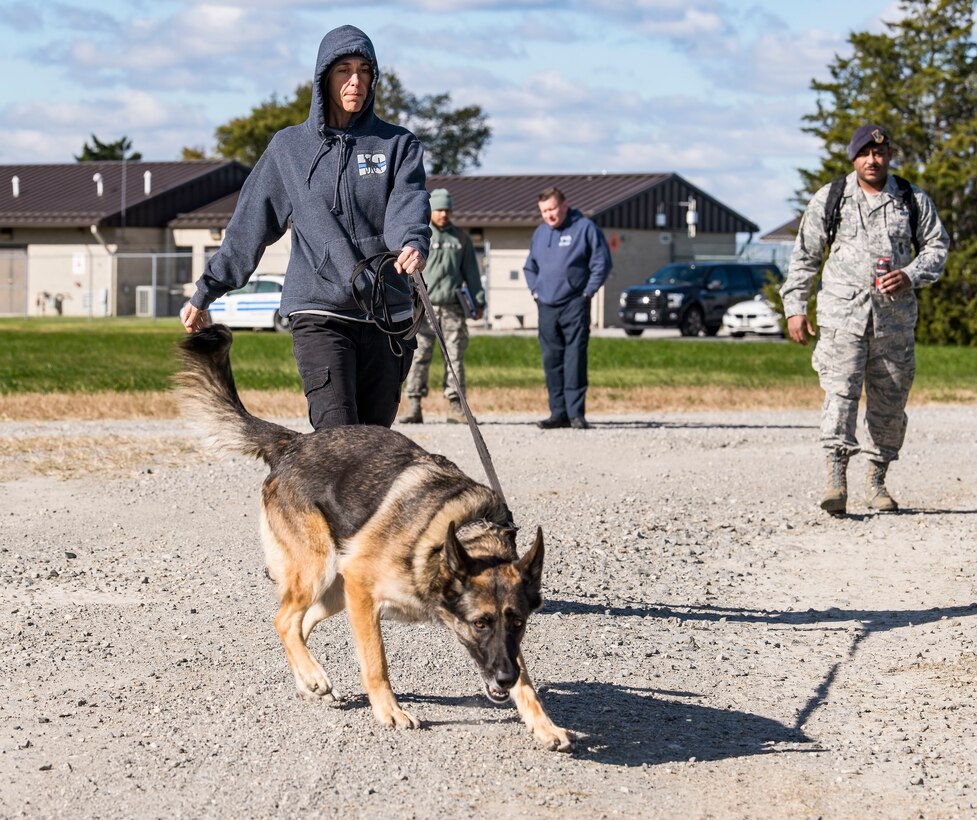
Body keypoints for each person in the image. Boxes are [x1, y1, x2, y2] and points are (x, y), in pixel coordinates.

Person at [182, 25, 430, 430]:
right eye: (344, 70)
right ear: (323, 78)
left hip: (388, 313)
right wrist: (206, 291)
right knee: (336, 437)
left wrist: (412, 241)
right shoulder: (289, 149)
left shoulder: (397, 144)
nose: (356, 81)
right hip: (320, 309)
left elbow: (408, 204)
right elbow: (249, 226)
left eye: (365, 70)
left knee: (374, 443)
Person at [781, 123, 948, 515]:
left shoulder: (910, 198)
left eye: (880, 153)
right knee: (840, 396)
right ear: (854, 158)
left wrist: (910, 274)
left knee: (889, 402)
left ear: (888, 155)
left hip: (894, 322)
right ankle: (835, 479)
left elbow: (938, 247)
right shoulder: (832, 197)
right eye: (865, 154)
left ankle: (877, 481)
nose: (873, 160)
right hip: (843, 317)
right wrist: (795, 306)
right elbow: (805, 255)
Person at [523, 187, 612, 430]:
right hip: (546, 305)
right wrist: (536, 291)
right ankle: (558, 413)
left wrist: (586, 293)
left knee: (574, 358)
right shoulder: (541, 233)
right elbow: (529, 267)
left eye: (552, 209)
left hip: (575, 303)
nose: (549, 215)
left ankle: (576, 414)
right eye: (544, 211)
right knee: (551, 359)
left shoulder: (584, 228)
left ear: (564, 205)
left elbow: (601, 263)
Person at [399, 188, 485, 424]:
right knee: (420, 355)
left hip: (452, 308)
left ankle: (456, 407)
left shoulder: (461, 239)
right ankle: (414, 405)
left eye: (447, 209)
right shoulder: (420, 237)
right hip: (423, 309)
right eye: (439, 209)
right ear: (430, 210)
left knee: (455, 357)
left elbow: (472, 273)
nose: (444, 214)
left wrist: (478, 300)